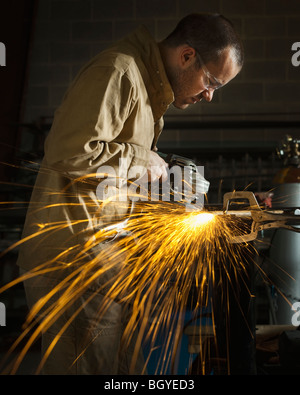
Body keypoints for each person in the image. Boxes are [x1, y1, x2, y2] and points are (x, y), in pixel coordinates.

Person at [16, 13, 244, 375]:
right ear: (187, 56)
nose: (210, 96)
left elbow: (107, 172)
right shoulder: (119, 72)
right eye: (211, 81)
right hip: (75, 262)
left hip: (103, 261)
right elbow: (69, 152)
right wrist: (143, 159)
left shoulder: (146, 85)